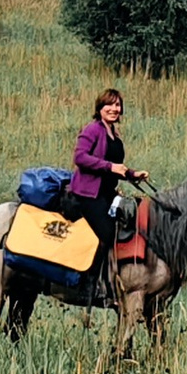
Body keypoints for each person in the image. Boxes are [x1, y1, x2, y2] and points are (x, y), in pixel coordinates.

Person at [63, 88, 145, 303]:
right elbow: (80, 157)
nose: (114, 109)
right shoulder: (92, 130)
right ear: (100, 108)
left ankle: (118, 280)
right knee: (107, 233)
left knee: (130, 227)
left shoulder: (114, 134)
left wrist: (133, 174)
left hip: (107, 194)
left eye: (118, 105)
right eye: (110, 104)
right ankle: (89, 283)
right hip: (87, 195)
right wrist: (110, 167)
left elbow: (115, 167)